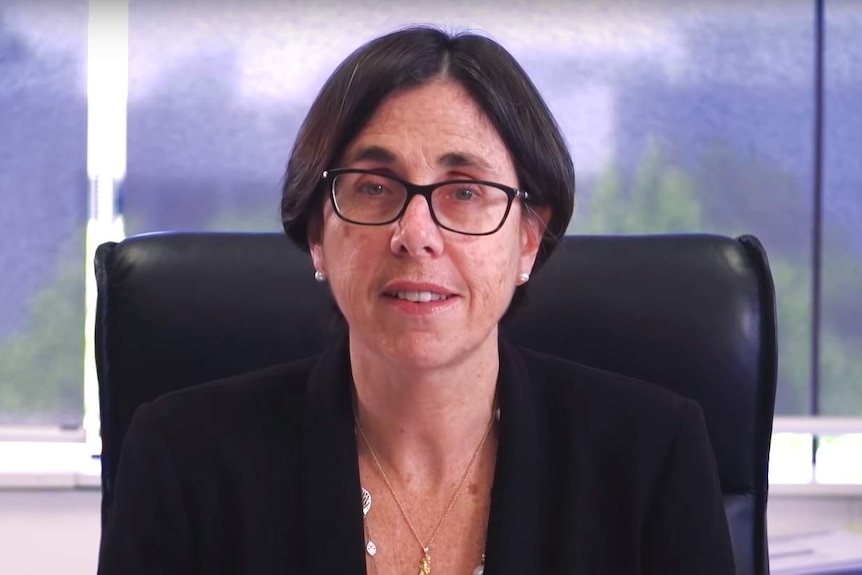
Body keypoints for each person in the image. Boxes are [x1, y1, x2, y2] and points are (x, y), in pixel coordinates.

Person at [97, 26, 736, 575]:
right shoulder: (184, 460)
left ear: (528, 241)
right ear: (318, 234)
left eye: (464, 191)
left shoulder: (653, 458)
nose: (416, 236)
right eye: (374, 186)